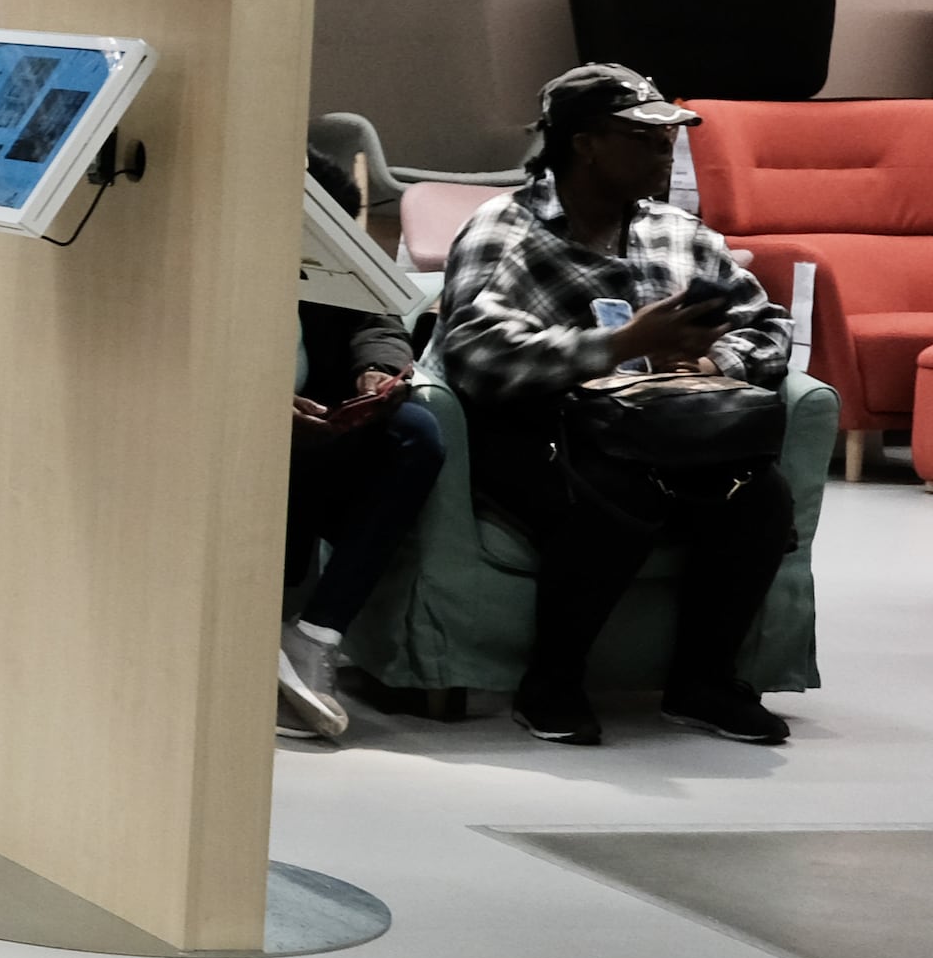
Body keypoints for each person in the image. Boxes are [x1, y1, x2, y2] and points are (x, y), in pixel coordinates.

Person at [429, 61, 799, 749]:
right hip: (541, 427)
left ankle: (704, 683)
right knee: (620, 491)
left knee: (761, 496)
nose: (666, 152)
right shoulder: (504, 229)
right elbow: (473, 353)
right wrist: (616, 345)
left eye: (669, 139)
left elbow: (770, 324)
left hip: (663, 423)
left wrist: (716, 359)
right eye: (643, 138)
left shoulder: (677, 232)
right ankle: (553, 681)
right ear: (584, 143)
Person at [278, 156, 447, 743]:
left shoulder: (333, 255)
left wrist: (377, 370)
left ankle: (317, 633)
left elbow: (378, 320)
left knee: (416, 433)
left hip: (323, 424)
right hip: (228, 429)